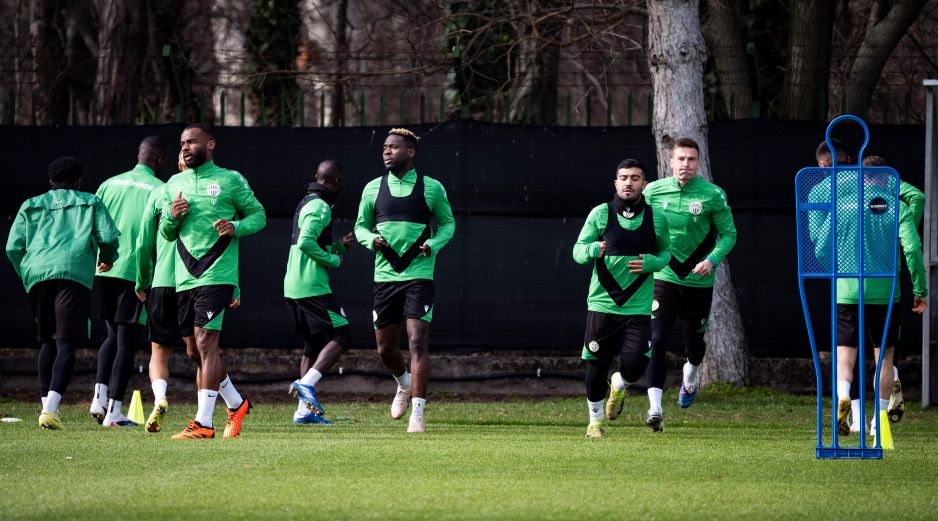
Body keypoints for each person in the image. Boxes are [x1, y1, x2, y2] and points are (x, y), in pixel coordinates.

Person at [160, 124, 267, 440]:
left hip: (217, 273)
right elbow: (167, 233)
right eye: (182, 143)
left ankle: (203, 423)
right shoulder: (174, 183)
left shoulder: (230, 180)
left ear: (211, 144)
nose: (186, 148)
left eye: (192, 142)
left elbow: (258, 216)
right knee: (194, 350)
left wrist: (235, 226)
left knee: (206, 342)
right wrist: (172, 216)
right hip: (185, 276)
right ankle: (236, 402)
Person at [816, 142, 926, 427]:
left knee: (844, 354)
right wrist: (920, 290)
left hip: (847, 288)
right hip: (884, 291)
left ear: (860, 176)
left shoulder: (842, 205)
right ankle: (879, 421)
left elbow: (821, 247)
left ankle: (843, 396)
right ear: (888, 179)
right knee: (884, 356)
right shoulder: (897, 208)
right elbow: (913, 250)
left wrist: (838, 264)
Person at [6, 157, 120, 430]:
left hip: (36, 275)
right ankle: (50, 411)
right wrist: (108, 257)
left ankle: (46, 408)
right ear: (78, 181)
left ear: (51, 182)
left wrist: (27, 275)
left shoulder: (30, 205)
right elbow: (107, 237)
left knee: (46, 340)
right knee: (65, 342)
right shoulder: (89, 201)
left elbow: (13, 248)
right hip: (72, 272)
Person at [354, 128, 455, 433]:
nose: (387, 152)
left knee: (417, 341)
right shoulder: (373, 188)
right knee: (385, 349)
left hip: (419, 276)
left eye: (394, 148)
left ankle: (418, 415)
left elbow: (448, 224)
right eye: (384, 147)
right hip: (385, 277)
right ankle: (403, 384)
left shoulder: (431, 188)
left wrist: (433, 244)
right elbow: (360, 227)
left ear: (410, 153)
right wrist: (371, 239)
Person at [642, 137, 737, 432]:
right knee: (656, 340)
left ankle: (691, 374)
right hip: (664, 277)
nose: (685, 164)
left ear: (698, 163)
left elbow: (729, 234)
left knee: (694, 343)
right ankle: (655, 409)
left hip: (699, 280)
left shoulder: (712, 195)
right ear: (670, 161)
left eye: (691, 159)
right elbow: (638, 227)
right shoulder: (653, 192)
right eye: (680, 159)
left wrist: (712, 260)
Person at [573, 159, 671, 439]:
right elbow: (577, 252)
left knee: (636, 364)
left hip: (638, 307)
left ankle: (619, 384)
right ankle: (595, 422)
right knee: (597, 365)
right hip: (602, 304)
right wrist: (592, 249)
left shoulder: (656, 217)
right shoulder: (600, 214)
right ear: (616, 183)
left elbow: (666, 254)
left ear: (644, 183)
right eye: (624, 177)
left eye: (635, 178)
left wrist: (652, 262)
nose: (629, 182)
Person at [89, 136, 168, 427]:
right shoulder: (162, 188)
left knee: (110, 335)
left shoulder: (109, 184)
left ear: (139, 155)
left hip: (104, 268)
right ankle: (114, 411)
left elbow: (94, 225)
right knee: (126, 341)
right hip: (135, 271)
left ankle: (98, 398)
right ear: (159, 161)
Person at [284, 160, 355, 425]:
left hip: (293, 284)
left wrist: (338, 247)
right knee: (343, 335)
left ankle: (303, 412)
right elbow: (306, 243)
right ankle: (307, 384)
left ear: (317, 177)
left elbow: (310, 242)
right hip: (311, 286)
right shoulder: (320, 206)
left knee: (312, 345)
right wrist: (335, 260)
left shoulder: (307, 201)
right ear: (337, 183)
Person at [133, 151, 185, 433]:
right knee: (203, 351)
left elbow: (142, 244)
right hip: (198, 283)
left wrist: (142, 281)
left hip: (163, 282)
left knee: (159, 352)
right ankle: (210, 410)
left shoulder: (159, 192)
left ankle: (161, 398)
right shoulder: (211, 194)